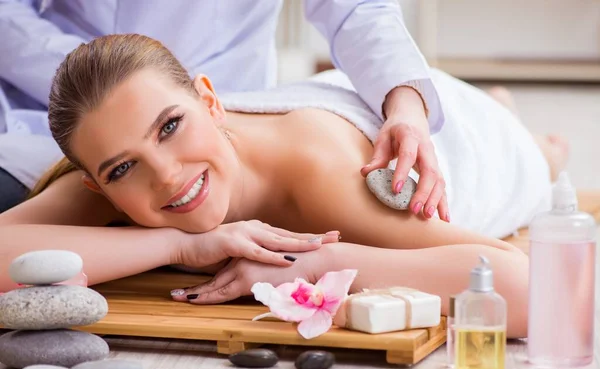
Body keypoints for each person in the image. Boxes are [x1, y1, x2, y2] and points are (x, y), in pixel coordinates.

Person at [0, 34, 570, 338]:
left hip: (463, 144)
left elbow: (526, 290)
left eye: (171, 127)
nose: (167, 175)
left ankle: (523, 129)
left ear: (210, 98)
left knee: (538, 161)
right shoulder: (109, 177)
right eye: (123, 169)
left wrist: (309, 262)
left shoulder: (323, 178)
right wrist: (179, 245)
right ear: (96, 184)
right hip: (325, 98)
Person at [0, 0, 447, 220]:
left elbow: (353, 8)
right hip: (55, 112)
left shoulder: (319, 164)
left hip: (218, 109)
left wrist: (405, 105)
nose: (167, 174)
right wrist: (104, 79)